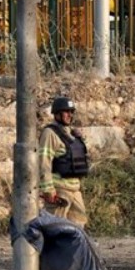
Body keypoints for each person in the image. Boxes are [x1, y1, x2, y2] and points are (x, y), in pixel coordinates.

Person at [39, 96, 90, 228]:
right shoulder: (50, 133)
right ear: (57, 114)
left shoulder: (72, 133)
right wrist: (48, 189)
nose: (69, 115)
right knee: (55, 228)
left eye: (71, 112)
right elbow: (44, 162)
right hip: (60, 190)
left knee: (78, 227)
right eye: (66, 111)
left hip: (74, 189)